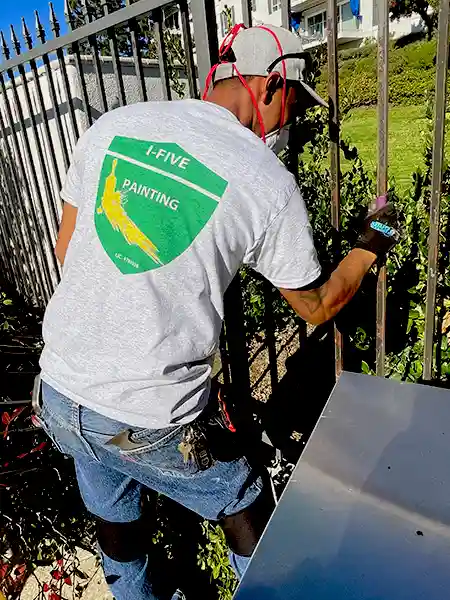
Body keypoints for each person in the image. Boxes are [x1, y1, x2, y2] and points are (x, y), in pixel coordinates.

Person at [36, 24, 399, 600]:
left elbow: (66, 249)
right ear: (272, 85)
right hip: (146, 416)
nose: (291, 122)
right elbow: (317, 306)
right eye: (295, 104)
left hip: (59, 390)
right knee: (242, 498)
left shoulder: (113, 127)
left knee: (116, 519)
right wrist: (370, 243)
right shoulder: (264, 182)